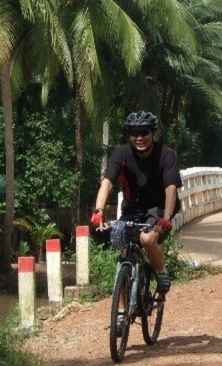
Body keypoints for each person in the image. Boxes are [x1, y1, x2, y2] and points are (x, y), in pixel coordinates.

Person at [90, 110, 182, 294]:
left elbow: (171, 188)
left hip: (158, 208)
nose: (139, 138)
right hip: (132, 208)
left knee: (147, 239)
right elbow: (107, 183)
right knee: (124, 252)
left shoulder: (166, 155)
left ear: (153, 134)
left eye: (144, 132)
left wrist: (167, 217)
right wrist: (99, 210)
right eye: (134, 133)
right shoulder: (121, 154)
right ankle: (122, 313)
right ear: (129, 136)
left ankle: (161, 270)